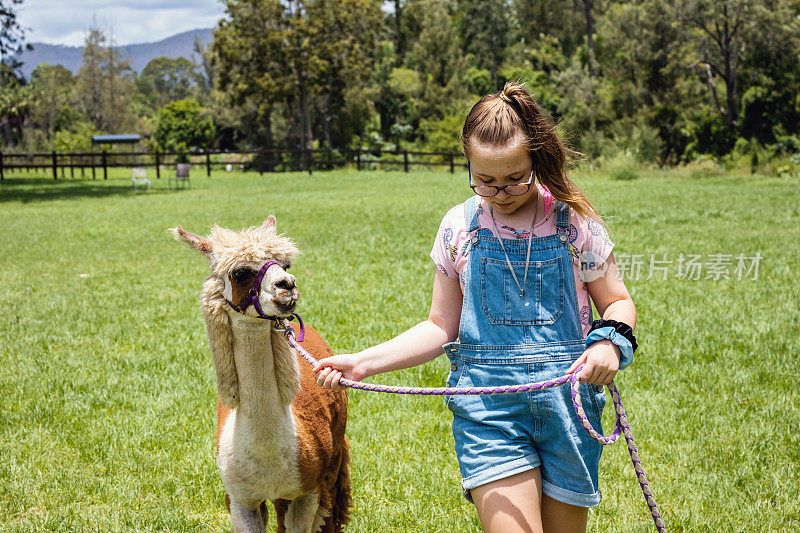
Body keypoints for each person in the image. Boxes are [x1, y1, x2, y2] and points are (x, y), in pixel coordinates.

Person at [313, 81, 637, 533]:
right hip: (490, 408)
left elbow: (618, 301)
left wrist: (610, 346)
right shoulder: (458, 228)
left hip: (569, 405)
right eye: (484, 179)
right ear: (468, 163)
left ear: (538, 162)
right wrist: (364, 363)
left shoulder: (574, 223)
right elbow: (440, 326)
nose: (500, 192)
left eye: (514, 178)